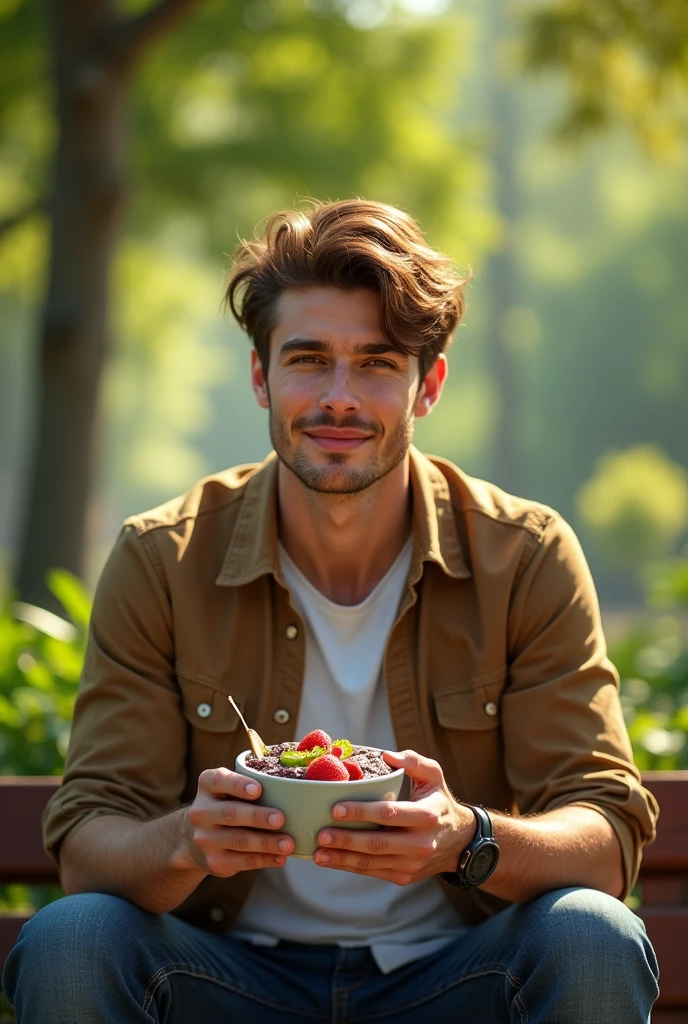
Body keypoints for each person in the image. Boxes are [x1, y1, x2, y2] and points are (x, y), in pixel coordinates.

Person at [3, 199, 659, 1023]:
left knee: (592, 935)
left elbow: (606, 835)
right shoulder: (160, 559)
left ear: (429, 386)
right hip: (226, 981)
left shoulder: (524, 555)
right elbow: (89, 839)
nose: (339, 399)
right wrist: (186, 842)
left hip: (457, 982)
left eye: (378, 363)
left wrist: (466, 840)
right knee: (73, 939)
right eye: (308, 359)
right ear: (259, 375)